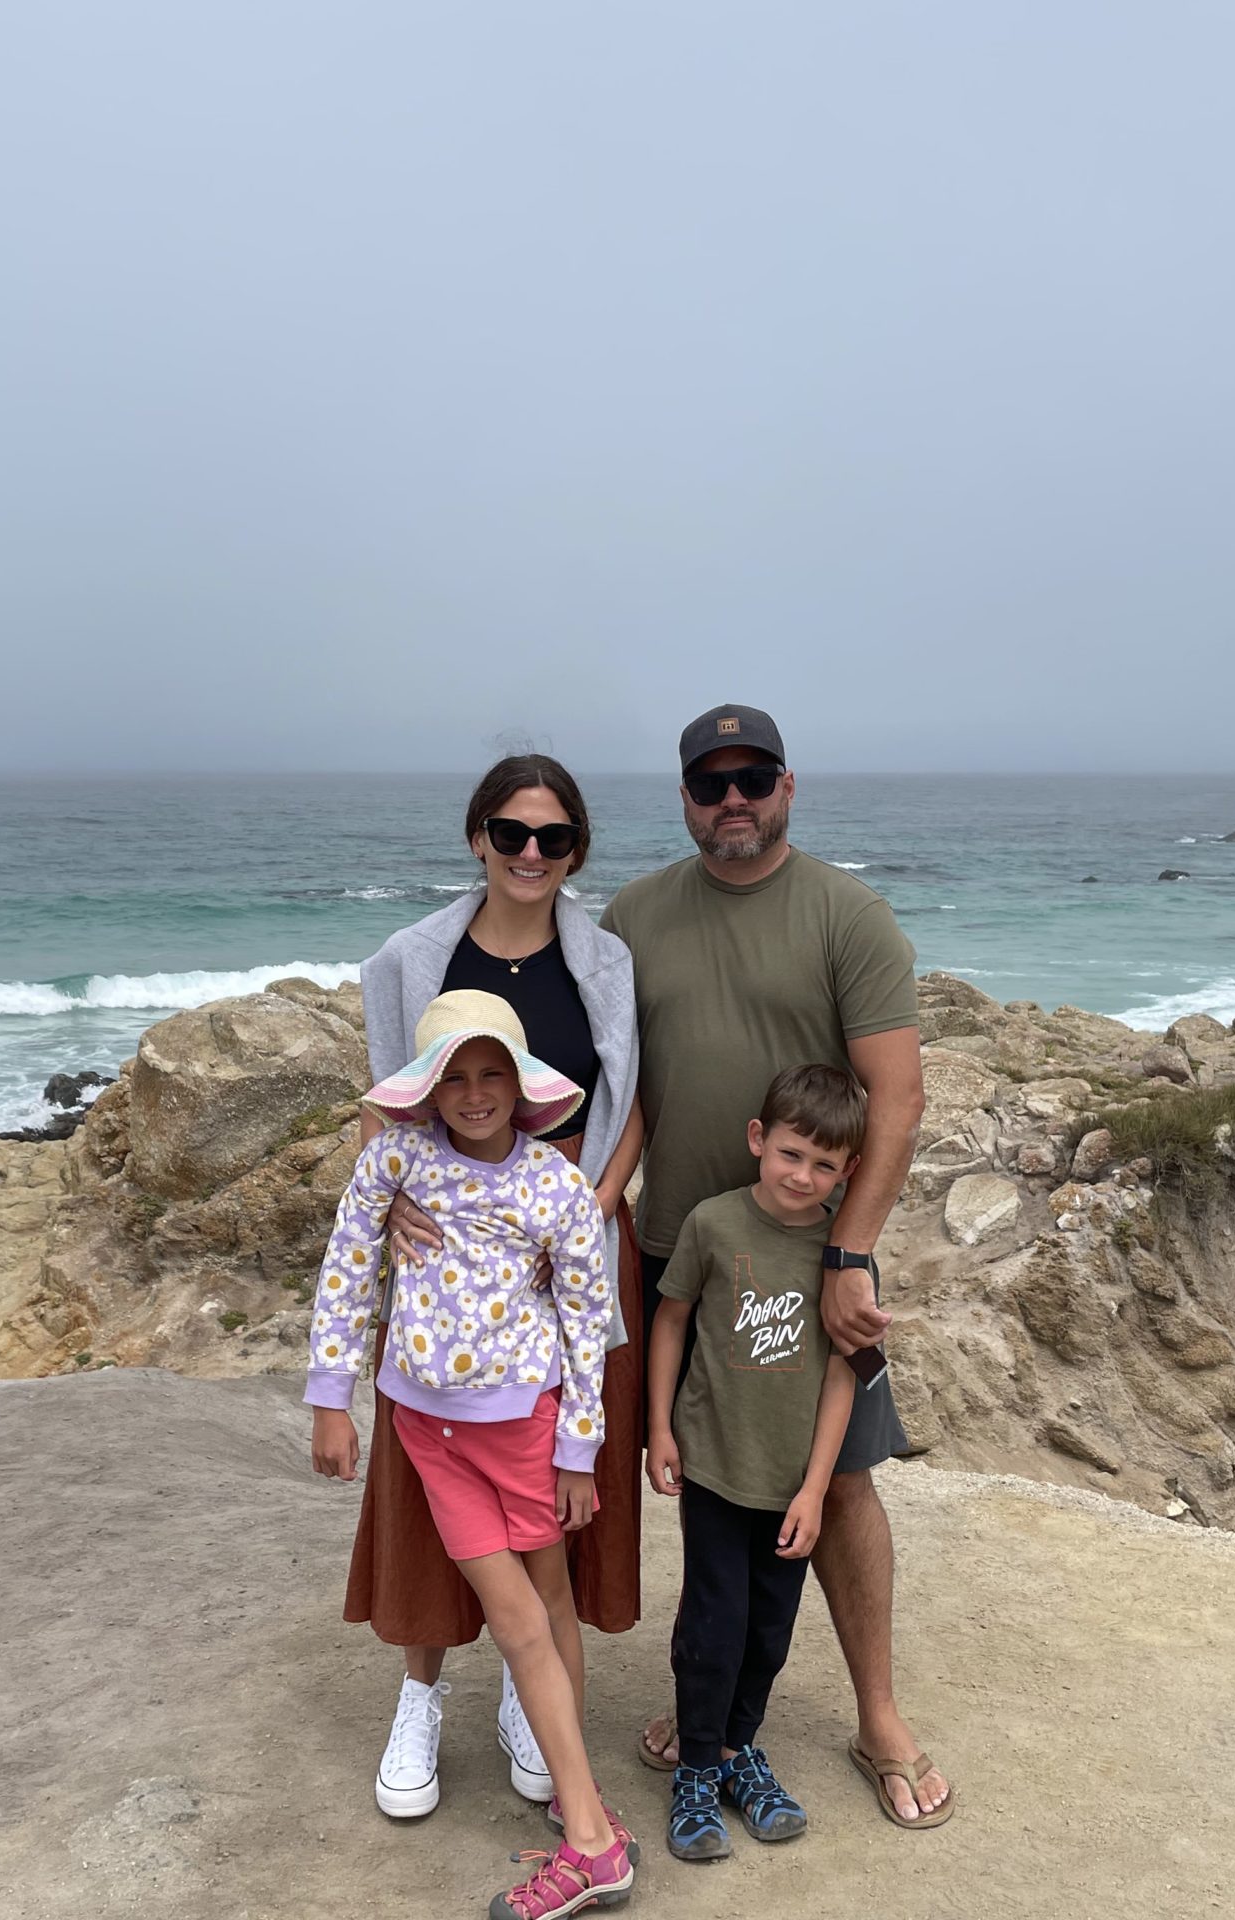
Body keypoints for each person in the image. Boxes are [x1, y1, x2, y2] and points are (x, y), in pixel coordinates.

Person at [601, 702, 954, 1830]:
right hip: (681, 1250)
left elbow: (897, 1099)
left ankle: (877, 1716)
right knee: (707, 1477)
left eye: (753, 777)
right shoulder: (632, 916)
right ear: (685, 798)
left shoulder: (848, 915)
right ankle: (709, 1716)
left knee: (838, 1477)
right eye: (711, 782)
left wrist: (849, 1253)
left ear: (787, 787)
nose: (733, 799)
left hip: (814, 1262)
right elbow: (614, 1086)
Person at [350, 755, 648, 1823]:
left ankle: (536, 1691)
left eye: (553, 837)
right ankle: (419, 1697)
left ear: (576, 850)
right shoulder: (411, 958)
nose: (530, 853)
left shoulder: (605, 961)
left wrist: (592, 1207)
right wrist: (391, 1203)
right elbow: (386, 1103)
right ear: (477, 837)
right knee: (428, 1474)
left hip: (569, 1238)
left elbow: (630, 1100)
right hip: (446, 1262)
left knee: (550, 1473)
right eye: (511, 833)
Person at [306, 990, 638, 1919]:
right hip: (427, 1431)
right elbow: (347, 1267)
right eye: (453, 1077)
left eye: (493, 1073)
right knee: (519, 1614)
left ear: (522, 1084)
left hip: (524, 1430)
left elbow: (588, 1318)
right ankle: (589, 1823)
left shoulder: (555, 1185)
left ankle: (585, 1828)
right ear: (427, 1090)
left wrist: (579, 1448)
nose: (475, 1093)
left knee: (543, 1607)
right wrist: (332, 1399)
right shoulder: (395, 1160)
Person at [647, 1065, 863, 1864]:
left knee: (769, 1631)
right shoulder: (711, 1224)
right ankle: (696, 1769)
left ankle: (738, 1752)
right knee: (714, 1624)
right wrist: (660, 1429)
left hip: (790, 1484)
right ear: (758, 1141)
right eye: (790, 1154)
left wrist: (816, 1488)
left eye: (823, 1165)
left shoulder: (843, 1256)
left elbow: (844, 1373)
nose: (802, 1176)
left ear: (847, 1171)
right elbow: (671, 1321)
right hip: (713, 1466)